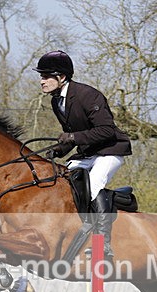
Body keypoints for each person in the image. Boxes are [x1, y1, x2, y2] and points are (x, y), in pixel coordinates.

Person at [34, 50, 131, 258]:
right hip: (87, 154)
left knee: (93, 186)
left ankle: (104, 244)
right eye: (41, 76)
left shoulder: (88, 95)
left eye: (46, 76)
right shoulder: (56, 101)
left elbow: (106, 130)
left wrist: (72, 138)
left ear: (61, 77)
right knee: (60, 180)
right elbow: (76, 136)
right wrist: (58, 150)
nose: (41, 81)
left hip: (110, 151)